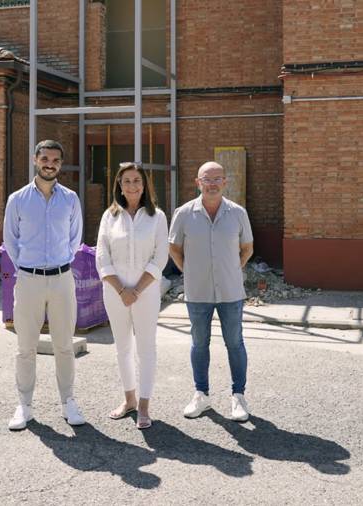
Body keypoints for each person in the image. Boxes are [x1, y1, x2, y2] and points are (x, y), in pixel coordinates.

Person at [3, 139, 85, 431]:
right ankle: (24, 406)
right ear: (35, 160)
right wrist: (28, 269)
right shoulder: (18, 199)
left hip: (62, 280)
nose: (50, 164)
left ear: (61, 165)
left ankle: (68, 402)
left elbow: (75, 240)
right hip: (28, 280)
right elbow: (11, 241)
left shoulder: (71, 199)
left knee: (64, 346)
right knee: (25, 347)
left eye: (56, 160)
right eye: (45, 159)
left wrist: (59, 264)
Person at [168, 161, 254, 422]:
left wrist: (230, 269)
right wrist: (190, 272)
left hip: (230, 292)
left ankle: (238, 396)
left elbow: (247, 248)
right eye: (207, 179)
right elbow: (174, 249)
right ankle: (201, 395)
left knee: (235, 343)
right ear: (198, 183)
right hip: (198, 292)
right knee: (199, 344)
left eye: (218, 179)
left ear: (225, 182)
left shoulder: (238, 213)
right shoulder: (183, 214)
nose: (213, 183)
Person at [96, 162, 169, 430]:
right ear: (119, 185)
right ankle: (129, 400)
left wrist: (135, 290)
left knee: (146, 348)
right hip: (114, 292)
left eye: (137, 180)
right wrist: (120, 289)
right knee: (123, 346)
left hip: (146, 293)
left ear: (145, 184)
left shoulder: (157, 217)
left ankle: (145, 406)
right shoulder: (109, 216)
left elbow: (160, 257)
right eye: (126, 181)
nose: (132, 185)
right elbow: (102, 255)